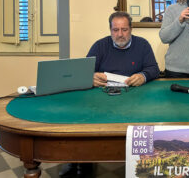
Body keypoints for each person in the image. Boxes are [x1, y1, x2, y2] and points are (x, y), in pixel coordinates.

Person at [59, 11, 159, 177]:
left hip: (135, 100)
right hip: (102, 98)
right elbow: (84, 70)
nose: (120, 34)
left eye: (124, 30)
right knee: (83, 121)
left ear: (131, 29)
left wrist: (143, 76)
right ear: (110, 30)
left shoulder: (142, 45)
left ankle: (140, 162)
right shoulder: (100, 45)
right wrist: (90, 77)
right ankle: (81, 160)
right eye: (115, 30)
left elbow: (153, 69)